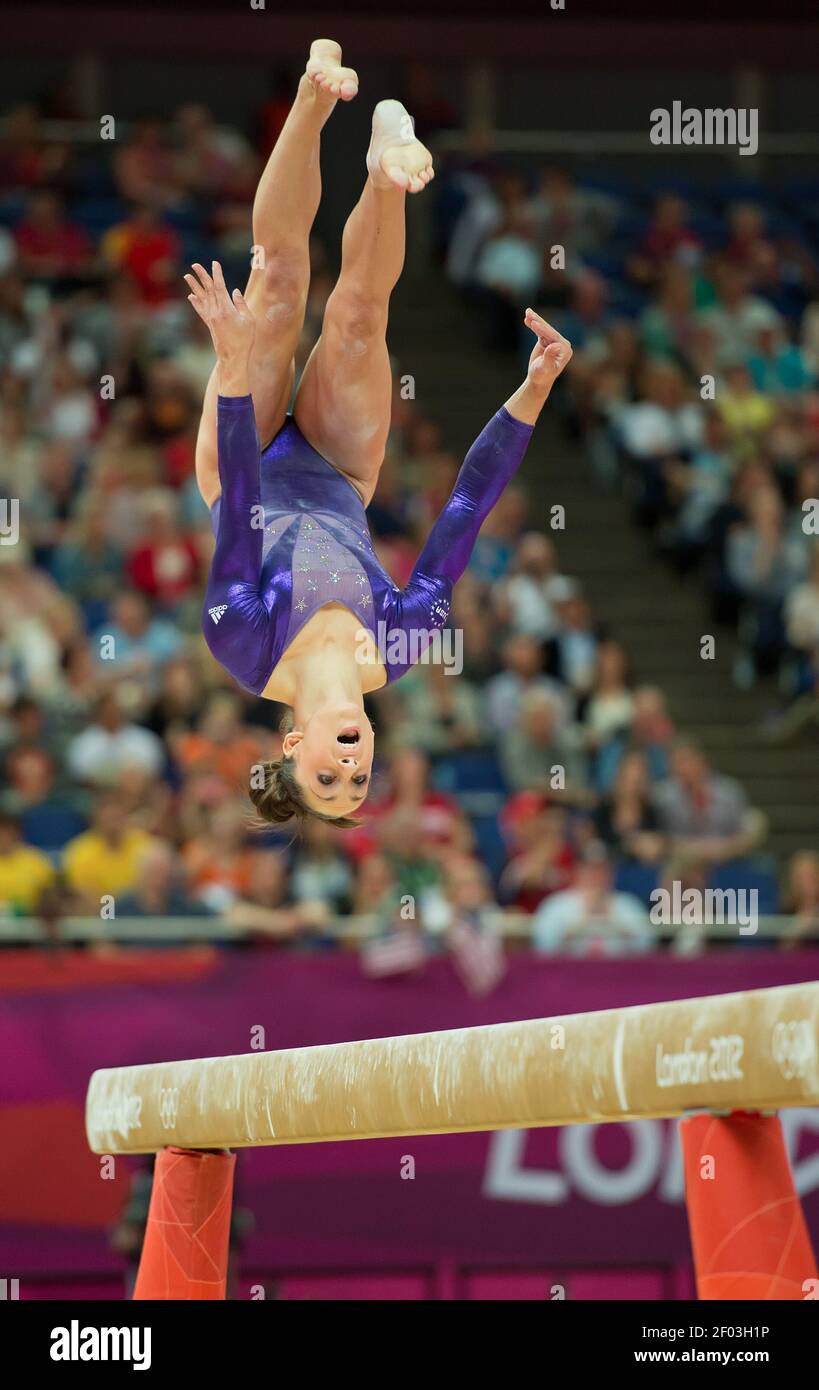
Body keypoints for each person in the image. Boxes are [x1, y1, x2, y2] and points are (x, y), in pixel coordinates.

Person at [190, 39, 572, 828]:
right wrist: (529, 394)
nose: (352, 770)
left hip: (244, 466)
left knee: (279, 284)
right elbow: (463, 512)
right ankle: (385, 169)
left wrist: (233, 369)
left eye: (328, 781)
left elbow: (238, 517)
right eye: (358, 784)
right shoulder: (399, 648)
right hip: (338, 471)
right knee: (360, 320)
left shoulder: (243, 645)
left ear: (293, 746)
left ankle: (310, 96)